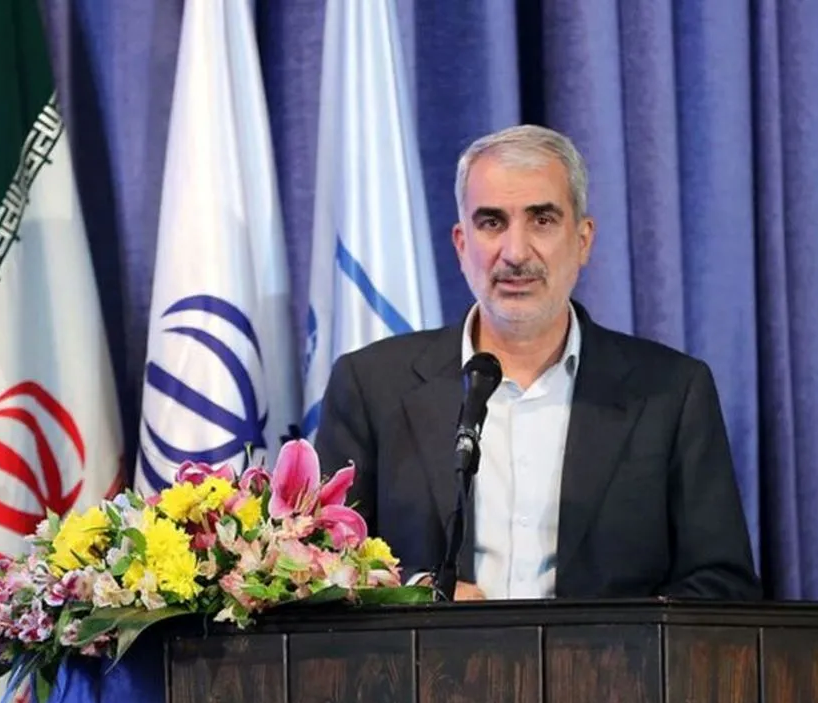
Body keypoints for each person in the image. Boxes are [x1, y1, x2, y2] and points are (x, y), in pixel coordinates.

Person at [313, 124, 761, 601]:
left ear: (583, 240)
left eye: (542, 220)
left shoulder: (671, 392)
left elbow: (721, 585)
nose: (515, 253)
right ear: (461, 245)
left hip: (606, 654)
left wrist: (608, 639)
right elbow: (318, 566)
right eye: (491, 223)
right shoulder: (371, 387)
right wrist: (417, 595)